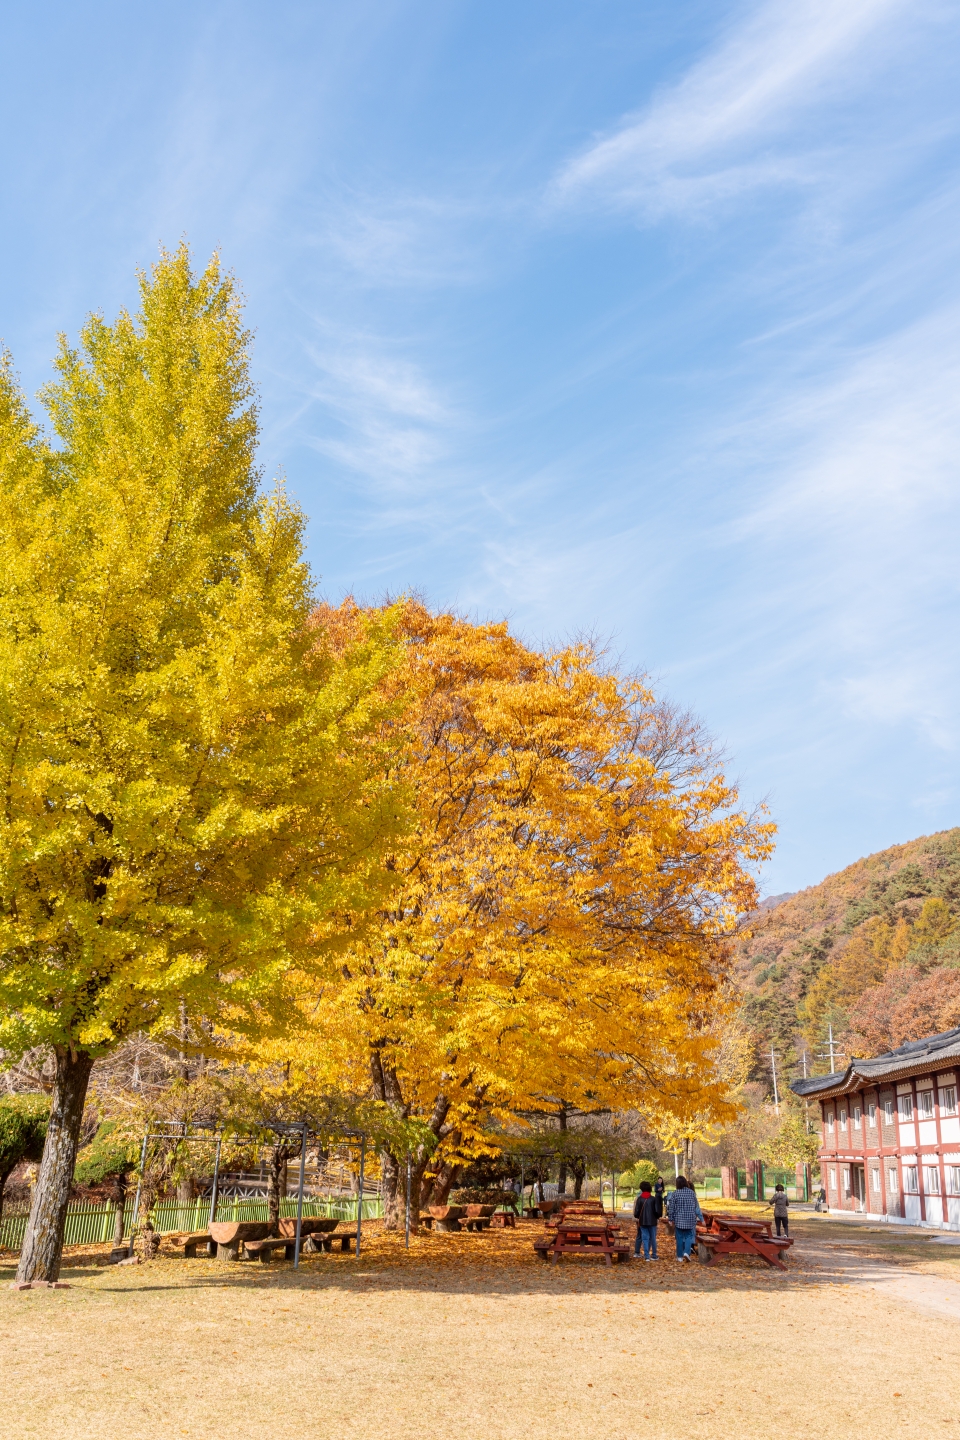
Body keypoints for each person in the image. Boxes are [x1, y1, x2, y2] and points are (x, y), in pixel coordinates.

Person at [666, 1175, 703, 1261]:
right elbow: (695, 1206)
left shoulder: (675, 1193)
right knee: (688, 1237)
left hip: (679, 1220)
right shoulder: (691, 1193)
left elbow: (672, 1208)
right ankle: (686, 1252)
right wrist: (700, 1218)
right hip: (690, 1219)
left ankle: (679, 1256)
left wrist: (670, 1219)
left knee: (679, 1238)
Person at [633, 1181, 659, 1261]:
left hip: (643, 1222)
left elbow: (636, 1212)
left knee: (645, 1238)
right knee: (653, 1238)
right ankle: (654, 1255)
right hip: (652, 1222)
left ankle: (646, 1256)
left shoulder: (639, 1199)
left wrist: (638, 1217)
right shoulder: (653, 1199)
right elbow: (656, 1211)